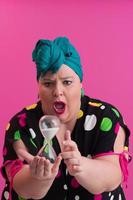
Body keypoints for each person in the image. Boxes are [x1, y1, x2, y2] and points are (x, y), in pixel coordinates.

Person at [1, 37, 131, 200]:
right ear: (39, 87)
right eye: (48, 84)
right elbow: (21, 186)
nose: (57, 91)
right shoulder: (21, 124)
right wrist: (37, 178)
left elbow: (112, 176)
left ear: (80, 83)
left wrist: (81, 165)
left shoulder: (106, 116)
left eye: (67, 82)